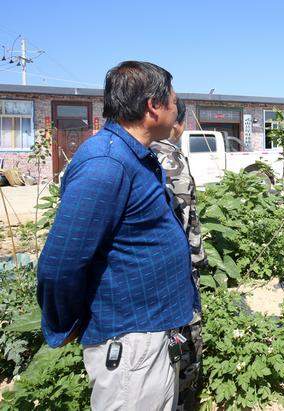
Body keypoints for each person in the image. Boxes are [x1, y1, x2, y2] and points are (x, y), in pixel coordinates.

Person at [37, 61, 198, 410]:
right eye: (172, 100)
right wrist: (64, 325)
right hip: (129, 346)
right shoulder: (106, 163)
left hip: (148, 334)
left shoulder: (133, 156)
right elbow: (59, 265)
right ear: (153, 107)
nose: (176, 109)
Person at [150, 98, 206, 411]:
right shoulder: (171, 159)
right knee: (186, 340)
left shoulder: (137, 153)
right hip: (176, 275)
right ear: (179, 124)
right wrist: (197, 262)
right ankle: (183, 398)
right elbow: (188, 224)